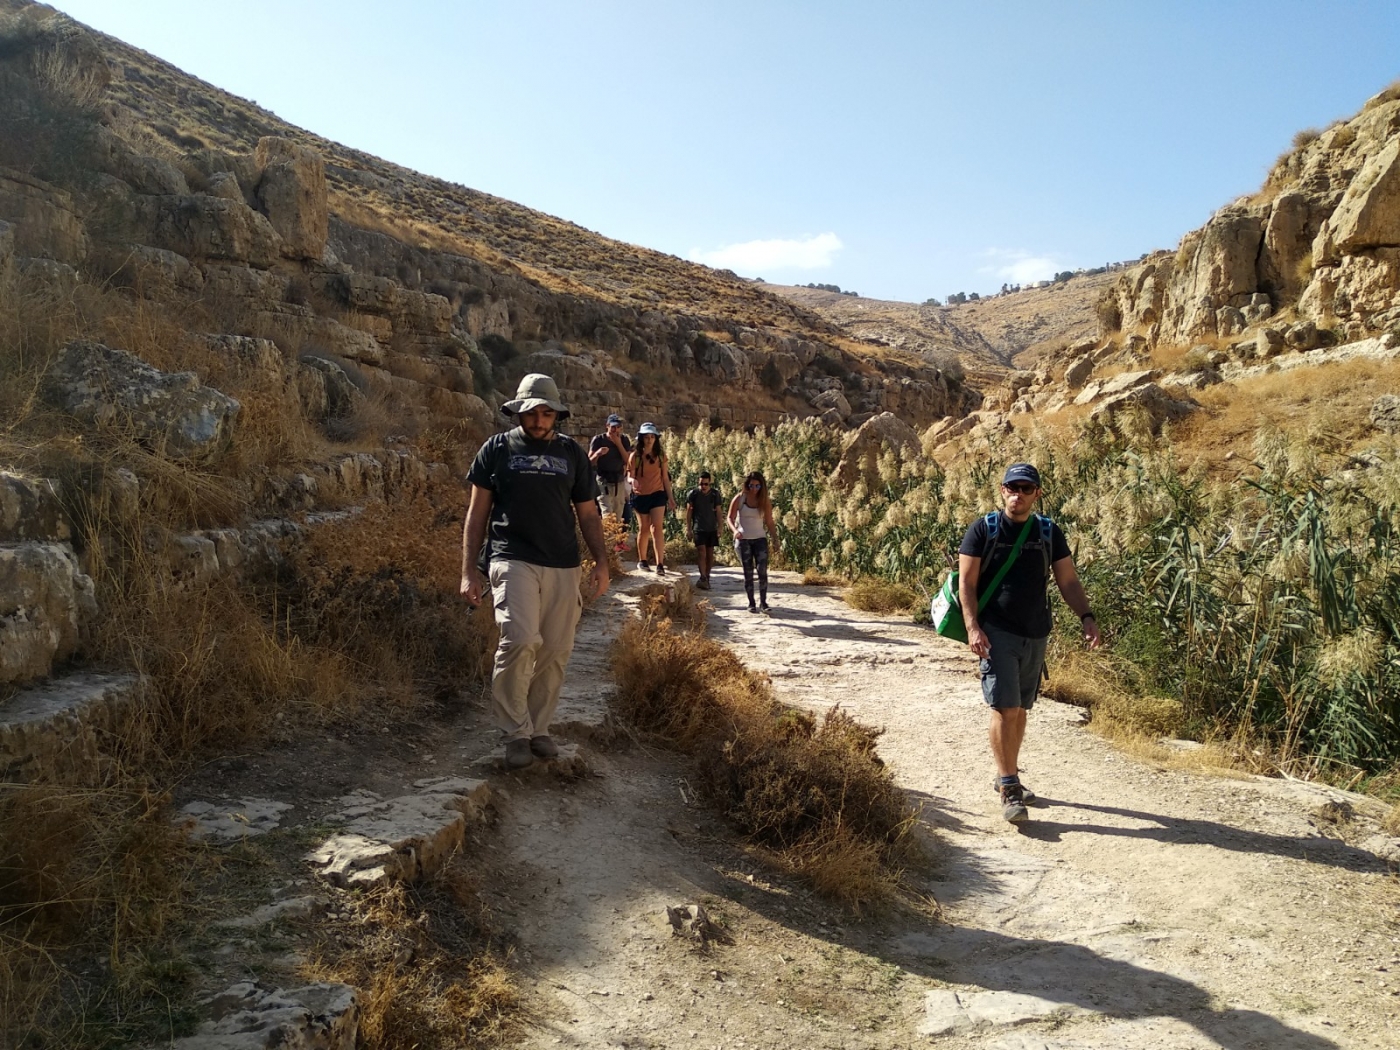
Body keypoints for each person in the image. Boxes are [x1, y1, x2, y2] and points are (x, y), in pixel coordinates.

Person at [460, 373, 610, 770]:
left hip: (562, 562)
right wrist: (468, 571)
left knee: (556, 649)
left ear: (556, 415)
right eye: (532, 413)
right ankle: (515, 732)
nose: (539, 420)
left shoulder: (572, 454)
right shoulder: (496, 449)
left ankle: (537, 727)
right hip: (511, 557)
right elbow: (477, 513)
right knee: (520, 639)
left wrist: (602, 562)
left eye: (547, 413)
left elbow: (588, 513)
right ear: (518, 412)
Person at [957, 462, 1101, 823]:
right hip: (996, 631)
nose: (1017, 495)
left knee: (1021, 708)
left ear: (1037, 494)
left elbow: (1068, 580)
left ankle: (1009, 773)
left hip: (1036, 631)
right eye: (1012, 488)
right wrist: (973, 627)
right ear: (1002, 490)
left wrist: (1086, 616)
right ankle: (1009, 786)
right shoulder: (983, 530)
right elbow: (966, 584)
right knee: (1004, 707)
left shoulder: (1048, 532)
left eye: (1025, 489)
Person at [627, 422, 675, 574]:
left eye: (652, 437)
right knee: (644, 528)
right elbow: (629, 476)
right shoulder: (635, 456)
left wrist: (670, 497)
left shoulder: (661, 456)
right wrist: (632, 481)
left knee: (657, 527)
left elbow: (665, 478)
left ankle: (660, 564)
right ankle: (643, 560)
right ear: (641, 438)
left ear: (656, 438)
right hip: (641, 495)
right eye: (646, 437)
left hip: (658, 494)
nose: (649, 440)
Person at [727, 470, 778, 613]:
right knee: (748, 572)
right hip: (743, 540)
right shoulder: (740, 498)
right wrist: (735, 531)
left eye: (757, 486)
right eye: (751, 485)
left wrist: (775, 538)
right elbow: (729, 517)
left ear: (762, 486)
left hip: (760, 539)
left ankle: (763, 602)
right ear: (747, 485)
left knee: (762, 570)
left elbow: (769, 521)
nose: (754, 489)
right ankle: (751, 603)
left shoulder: (764, 501)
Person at [588, 413, 632, 522]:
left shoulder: (624, 440)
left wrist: (618, 443)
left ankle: (614, 534)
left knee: (618, 517)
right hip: (603, 482)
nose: (616, 430)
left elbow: (628, 461)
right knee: (607, 516)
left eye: (618, 427)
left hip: (619, 482)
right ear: (607, 426)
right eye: (613, 427)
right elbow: (589, 463)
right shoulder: (599, 440)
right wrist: (597, 454)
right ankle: (607, 533)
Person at [685, 471, 723, 590]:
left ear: (709, 483)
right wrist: (688, 529)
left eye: (706, 484)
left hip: (711, 528)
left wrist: (720, 527)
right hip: (698, 528)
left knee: (710, 554)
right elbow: (689, 512)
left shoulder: (715, 495)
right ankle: (702, 577)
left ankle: (707, 577)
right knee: (702, 552)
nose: (703, 486)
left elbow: (719, 512)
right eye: (701, 484)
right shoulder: (693, 494)